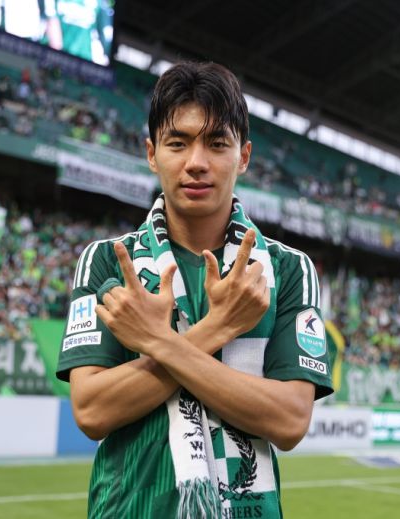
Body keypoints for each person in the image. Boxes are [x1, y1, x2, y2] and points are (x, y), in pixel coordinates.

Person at [56, 61, 333, 519]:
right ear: (152, 153)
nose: (196, 163)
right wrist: (218, 328)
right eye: (178, 143)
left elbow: (289, 421)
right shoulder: (106, 260)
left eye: (217, 143)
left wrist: (157, 342)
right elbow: (92, 411)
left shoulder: (289, 269)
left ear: (243, 156)